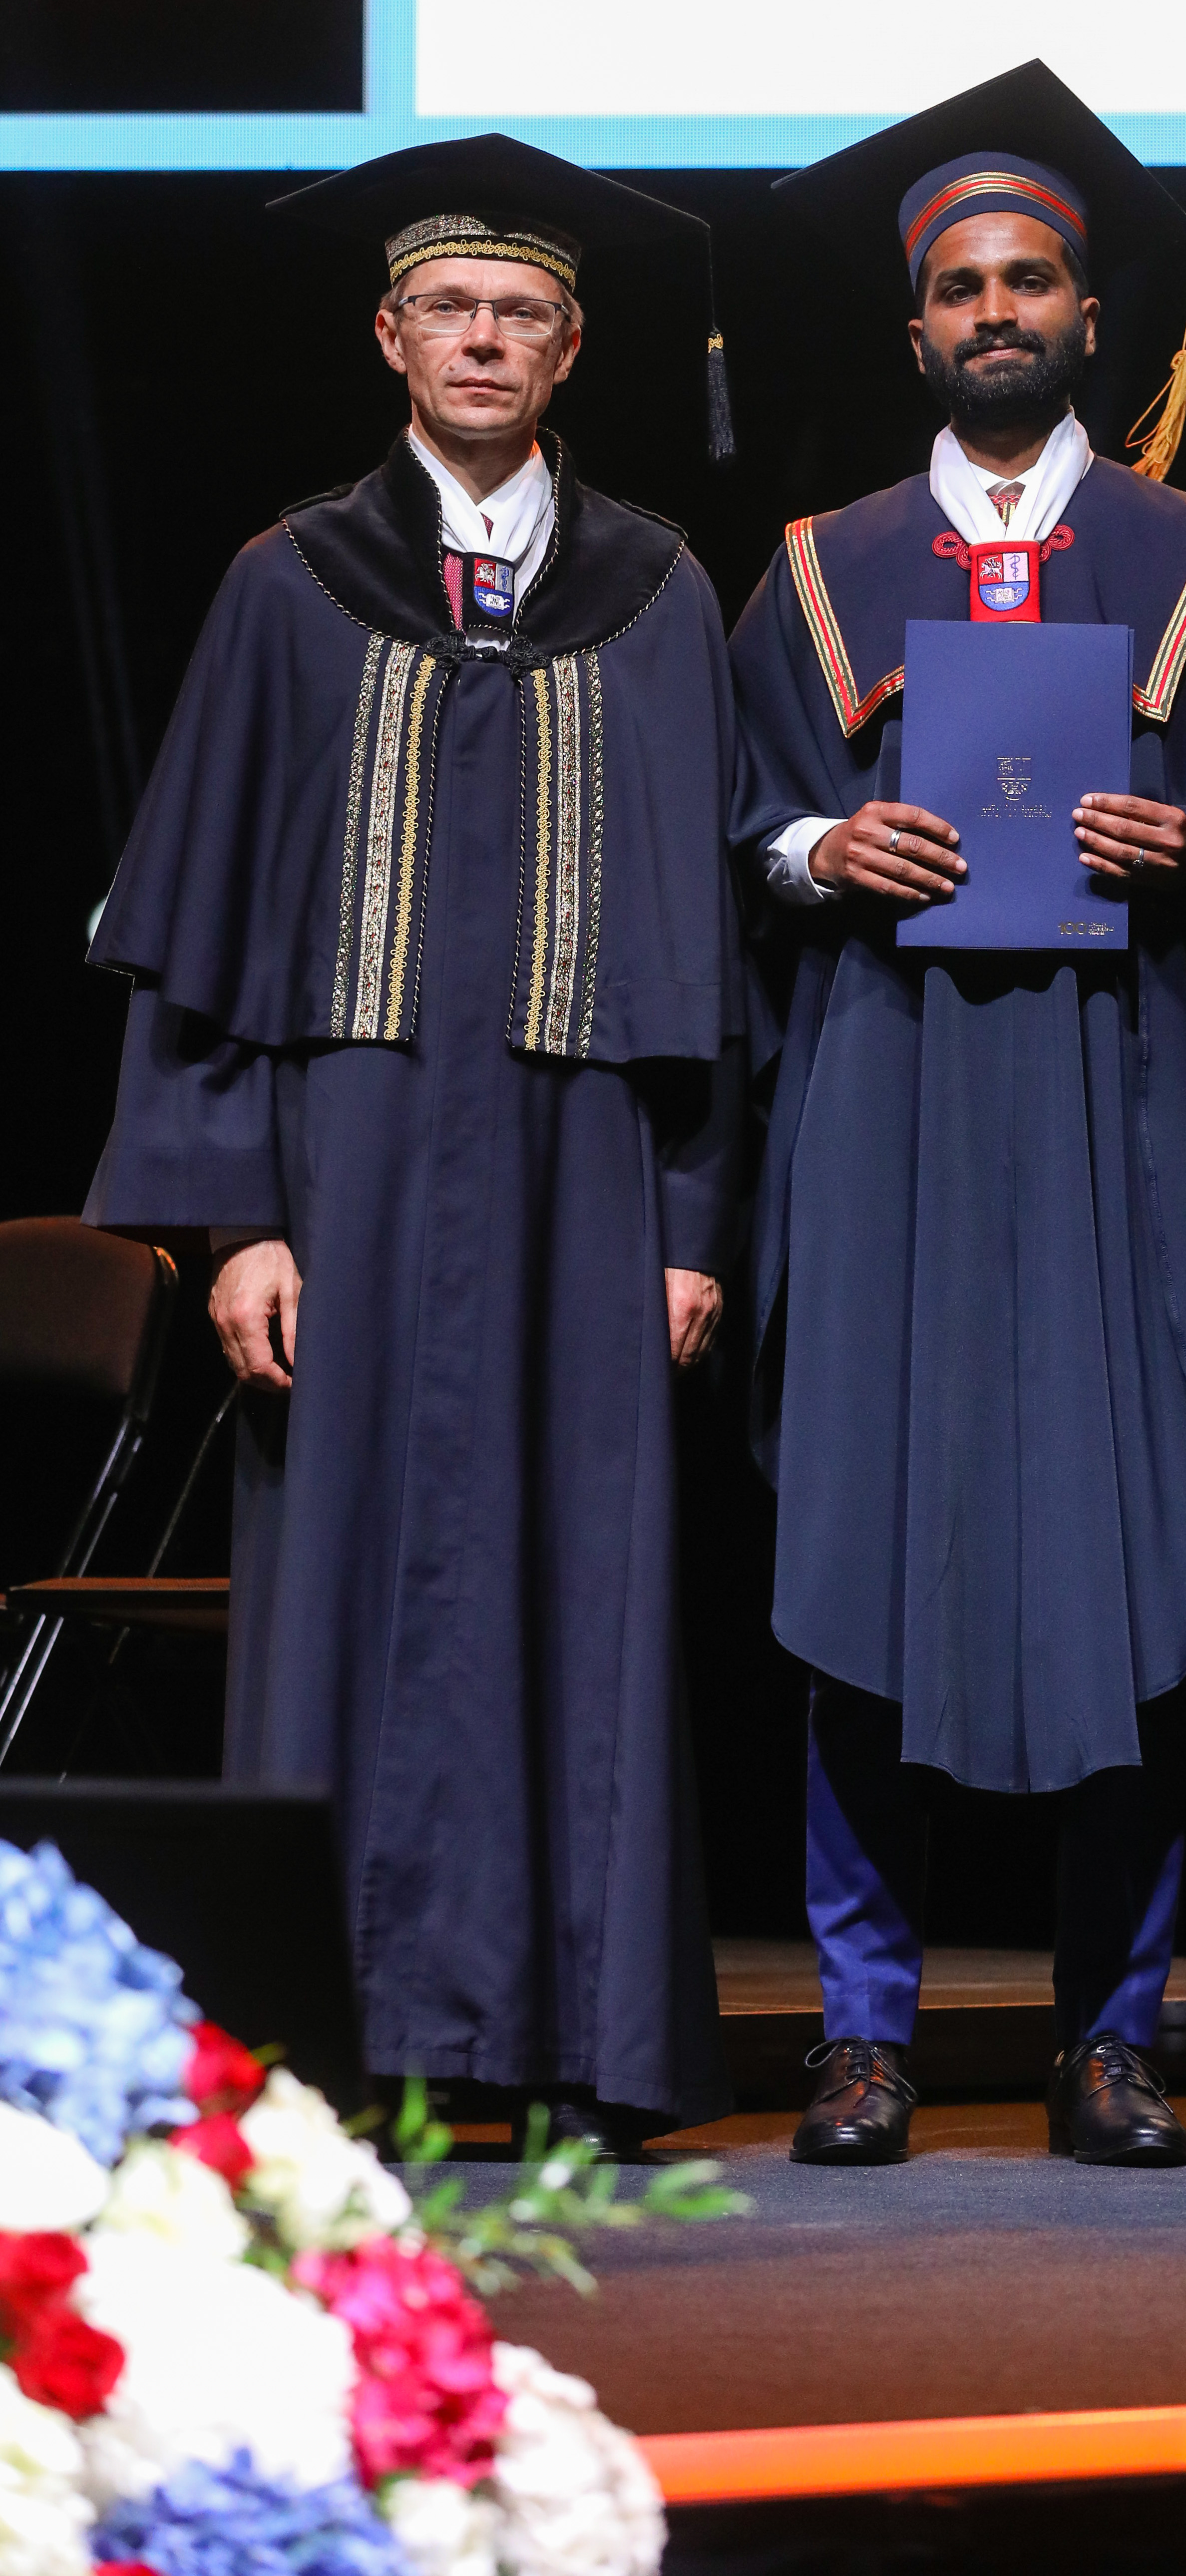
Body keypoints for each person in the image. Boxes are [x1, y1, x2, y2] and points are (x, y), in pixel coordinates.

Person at [84, 134, 745, 2154]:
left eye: (520, 313)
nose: (482, 339)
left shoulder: (655, 595)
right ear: (391, 335)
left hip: (585, 1165)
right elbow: (199, 926)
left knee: (580, 1577)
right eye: (450, 307)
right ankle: (329, 2035)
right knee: (341, 1579)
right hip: (345, 1167)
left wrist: (693, 1219)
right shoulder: (289, 583)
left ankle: (569, 2042)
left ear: (567, 351)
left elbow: (709, 952)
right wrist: (233, 1219)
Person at [729, 63, 1186, 2167]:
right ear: (914, 327)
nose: (996, 311)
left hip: (1127, 1119)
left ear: (1092, 312)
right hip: (886, 1112)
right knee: (859, 1554)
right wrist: (821, 848)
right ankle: (861, 2033)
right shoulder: (817, 571)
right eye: (960, 287)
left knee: (1134, 1565)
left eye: (1030, 281)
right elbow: (727, 828)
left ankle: (1112, 2033)